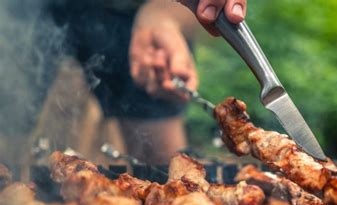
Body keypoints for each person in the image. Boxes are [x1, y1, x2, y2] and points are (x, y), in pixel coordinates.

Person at [49, 0, 247, 164]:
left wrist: (164, 15)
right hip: (35, 11)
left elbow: (213, 5)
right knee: (19, 131)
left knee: (164, 166)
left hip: (141, 11)